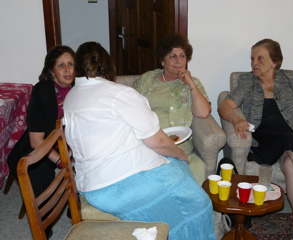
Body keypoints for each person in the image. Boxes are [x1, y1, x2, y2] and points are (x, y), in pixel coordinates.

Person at [63, 41, 215, 240]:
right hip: (119, 186)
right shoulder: (119, 94)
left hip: (91, 185)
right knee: (198, 202)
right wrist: (181, 153)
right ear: (109, 66)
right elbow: (159, 142)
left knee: (179, 170)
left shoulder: (72, 95)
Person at [218, 39, 293, 240]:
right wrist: (236, 118)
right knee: (288, 139)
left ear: (275, 61)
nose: (254, 63)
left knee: (291, 163)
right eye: (252, 58)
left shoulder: (291, 79)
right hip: (267, 138)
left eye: (260, 58)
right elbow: (224, 106)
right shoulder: (247, 82)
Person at [7, 45, 75, 238]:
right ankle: (43, 227)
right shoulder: (43, 91)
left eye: (70, 64)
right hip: (38, 147)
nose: (67, 70)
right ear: (51, 70)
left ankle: (75, 207)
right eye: (61, 65)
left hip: (68, 146)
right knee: (40, 175)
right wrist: (63, 162)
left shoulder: (79, 88)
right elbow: (37, 141)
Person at [133, 33, 211, 185]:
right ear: (162, 61)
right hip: (150, 143)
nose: (179, 61)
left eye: (182, 56)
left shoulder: (192, 82)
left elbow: (203, 113)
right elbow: (130, 108)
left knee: (197, 167)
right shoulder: (147, 79)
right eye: (172, 56)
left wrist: (191, 84)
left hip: (179, 144)